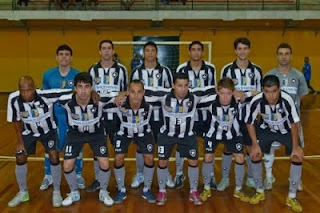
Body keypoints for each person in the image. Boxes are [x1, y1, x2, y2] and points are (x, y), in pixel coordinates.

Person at [144, 72, 215, 206]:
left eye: (185, 85)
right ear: (173, 85)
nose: (183, 89)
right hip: (167, 134)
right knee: (162, 162)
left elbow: (209, 90)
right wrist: (124, 93)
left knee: (193, 162)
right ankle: (162, 191)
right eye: (179, 85)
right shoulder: (164, 95)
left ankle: (193, 192)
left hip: (187, 135)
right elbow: (147, 90)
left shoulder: (194, 97)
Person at [7, 76, 72, 208]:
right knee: (20, 155)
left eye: (29, 90)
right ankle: (23, 192)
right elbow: (16, 120)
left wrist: (92, 91)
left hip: (49, 131)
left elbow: (69, 91)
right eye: (22, 90)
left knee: (54, 156)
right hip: (29, 132)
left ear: (34, 88)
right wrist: (20, 142)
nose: (26, 93)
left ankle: (56, 191)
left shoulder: (46, 95)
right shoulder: (13, 99)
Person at [245, 75, 304, 212]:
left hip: (286, 130)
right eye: (267, 91)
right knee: (254, 154)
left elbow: (294, 123)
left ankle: (292, 196)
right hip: (267, 129)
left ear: (280, 89)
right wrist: (254, 144)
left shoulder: (287, 100)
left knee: (297, 155)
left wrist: (295, 147)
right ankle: (259, 190)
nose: (270, 96)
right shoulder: (257, 101)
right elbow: (250, 122)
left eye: (274, 91)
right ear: (262, 90)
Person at [59, 72, 116, 207]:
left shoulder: (100, 99)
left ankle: (103, 191)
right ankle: (73, 192)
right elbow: (47, 94)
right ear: (75, 88)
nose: (83, 91)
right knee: (67, 165)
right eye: (80, 86)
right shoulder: (65, 99)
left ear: (92, 88)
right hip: (75, 134)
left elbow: (122, 95)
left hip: (96, 133)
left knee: (105, 163)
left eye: (87, 87)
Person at [129, 41, 174, 189]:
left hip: (160, 116)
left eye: (152, 51)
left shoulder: (165, 71)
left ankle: (165, 172)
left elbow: (170, 94)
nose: (150, 53)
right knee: (141, 145)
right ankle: (140, 173)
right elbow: (132, 94)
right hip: (142, 116)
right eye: (147, 51)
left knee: (163, 145)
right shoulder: (136, 72)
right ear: (143, 54)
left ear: (156, 53)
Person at [198, 77, 251, 202]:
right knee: (207, 157)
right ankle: (206, 188)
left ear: (233, 92)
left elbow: (257, 93)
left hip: (233, 134)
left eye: (228, 93)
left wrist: (245, 93)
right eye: (222, 93)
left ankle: (238, 189)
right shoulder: (209, 101)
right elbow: (193, 103)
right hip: (213, 133)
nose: (225, 97)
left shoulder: (238, 99)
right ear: (217, 91)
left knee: (240, 157)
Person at [219, 37, 262, 191]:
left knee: (250, 148)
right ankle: (225, 178)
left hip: (250, 116)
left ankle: (250, 178)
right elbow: (223, 91)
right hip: (231, 117)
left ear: (249, 50)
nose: (242, 51)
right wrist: (234, 92)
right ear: (235, 50)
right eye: (239, 48)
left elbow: (260, 92)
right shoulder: (227, 70)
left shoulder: (256, 70)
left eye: (245, 48)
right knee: (228, 148)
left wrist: (246, 93)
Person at [264, 43, 308, 191]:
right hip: (273, 121)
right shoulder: (270, 75)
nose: (284, 56)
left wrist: (291, 109)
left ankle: (295, 179)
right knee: (269, 148)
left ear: (291, 56)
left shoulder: (299, 75)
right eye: (281, 53)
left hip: (293, 123)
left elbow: (302, 95)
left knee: (296, 149)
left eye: (287, 53)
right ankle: (269, 177)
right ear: (277, 56)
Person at [41, 44, 85, 191]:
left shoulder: (77, 75)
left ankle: (78, 175)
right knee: (51, 147)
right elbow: (45, 98)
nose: (64, 56)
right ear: (57, 57)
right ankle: (48, 176)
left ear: (71, 57)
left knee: (76, 146)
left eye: (67, 54)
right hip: (54, 116)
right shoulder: (48, 75)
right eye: (61, 54)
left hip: (72, 117)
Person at [87, 39, 128, 192]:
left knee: (119, 150)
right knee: (99, 149)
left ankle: (119, 182)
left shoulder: (122, 70)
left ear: (112, 51)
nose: (106, 51)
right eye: (103, 48)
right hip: (99, 116)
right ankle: (98, 179)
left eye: (109, 48)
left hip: (117, 116)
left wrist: (121, 95)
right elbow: (89, 90)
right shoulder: (92, 70)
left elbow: (126, 91)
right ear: (99, 51)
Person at [176, 40, 216, 189]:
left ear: (202, 52)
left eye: (199, 49)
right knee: (181, 145)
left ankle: (210, 175)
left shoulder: (211, 69)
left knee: (209, 146)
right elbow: (180, 92)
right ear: (189, 52)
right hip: (188, 115)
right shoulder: (182, 68)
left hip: (207, 115)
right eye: (193, 49)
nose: (196, 52)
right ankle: (179, 173)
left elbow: (213, 91)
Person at [109, 80, 156, 204]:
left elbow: (167, 93)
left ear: (144, 92)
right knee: (118, 158)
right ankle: (121, 189)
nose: (136, 95)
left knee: (149, 158)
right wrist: (120, 95)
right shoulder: (119, 102)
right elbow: (103, 97)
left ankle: (147, 189)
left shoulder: (151, 101)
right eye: (132, 92)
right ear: (128, 92)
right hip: (124, 132)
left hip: (144, 131)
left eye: (139, 92)